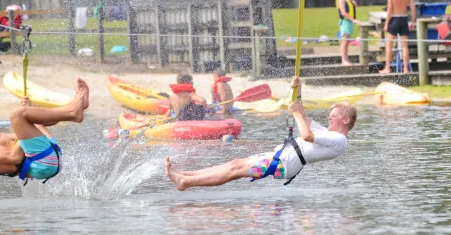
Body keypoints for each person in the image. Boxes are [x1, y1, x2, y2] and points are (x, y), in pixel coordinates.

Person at [165, 77, 357, 191]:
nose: (329, 118)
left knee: (235, 171)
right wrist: (298, 89)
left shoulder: (339, 140)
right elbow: (303, 116)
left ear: (346, 120)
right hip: (281, 158)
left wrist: (296, 112)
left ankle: (185, 182)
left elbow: (306, 134)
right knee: (234, 165)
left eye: (333, 116)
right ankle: (186, 175)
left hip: (283, 164)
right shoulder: (328, 134)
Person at [0, 78, 90, 184]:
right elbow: (14, 157)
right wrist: (21, 119)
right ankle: (73, 111)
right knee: (16, 115)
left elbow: (33, 131)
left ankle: (77, 107)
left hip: (50, 154)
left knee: (26, 115)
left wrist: (28, 113)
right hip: (41, 164)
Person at [379, 0, 416, 74]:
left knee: (389, 45)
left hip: (394, 19)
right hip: (404, 19)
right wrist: (412, 22)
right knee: (405, 46)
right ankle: (405, 68)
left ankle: (387, 68)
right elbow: (413, 9)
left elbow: (389, 10)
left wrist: (386, 24)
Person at [337, 0, 360, 66]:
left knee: (347, 42)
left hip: (348, 22)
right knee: (344, 41)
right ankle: (343, 60)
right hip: (345, 22)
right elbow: (343, 13)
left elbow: (354, 6)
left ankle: (346, 59)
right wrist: (353, 20)